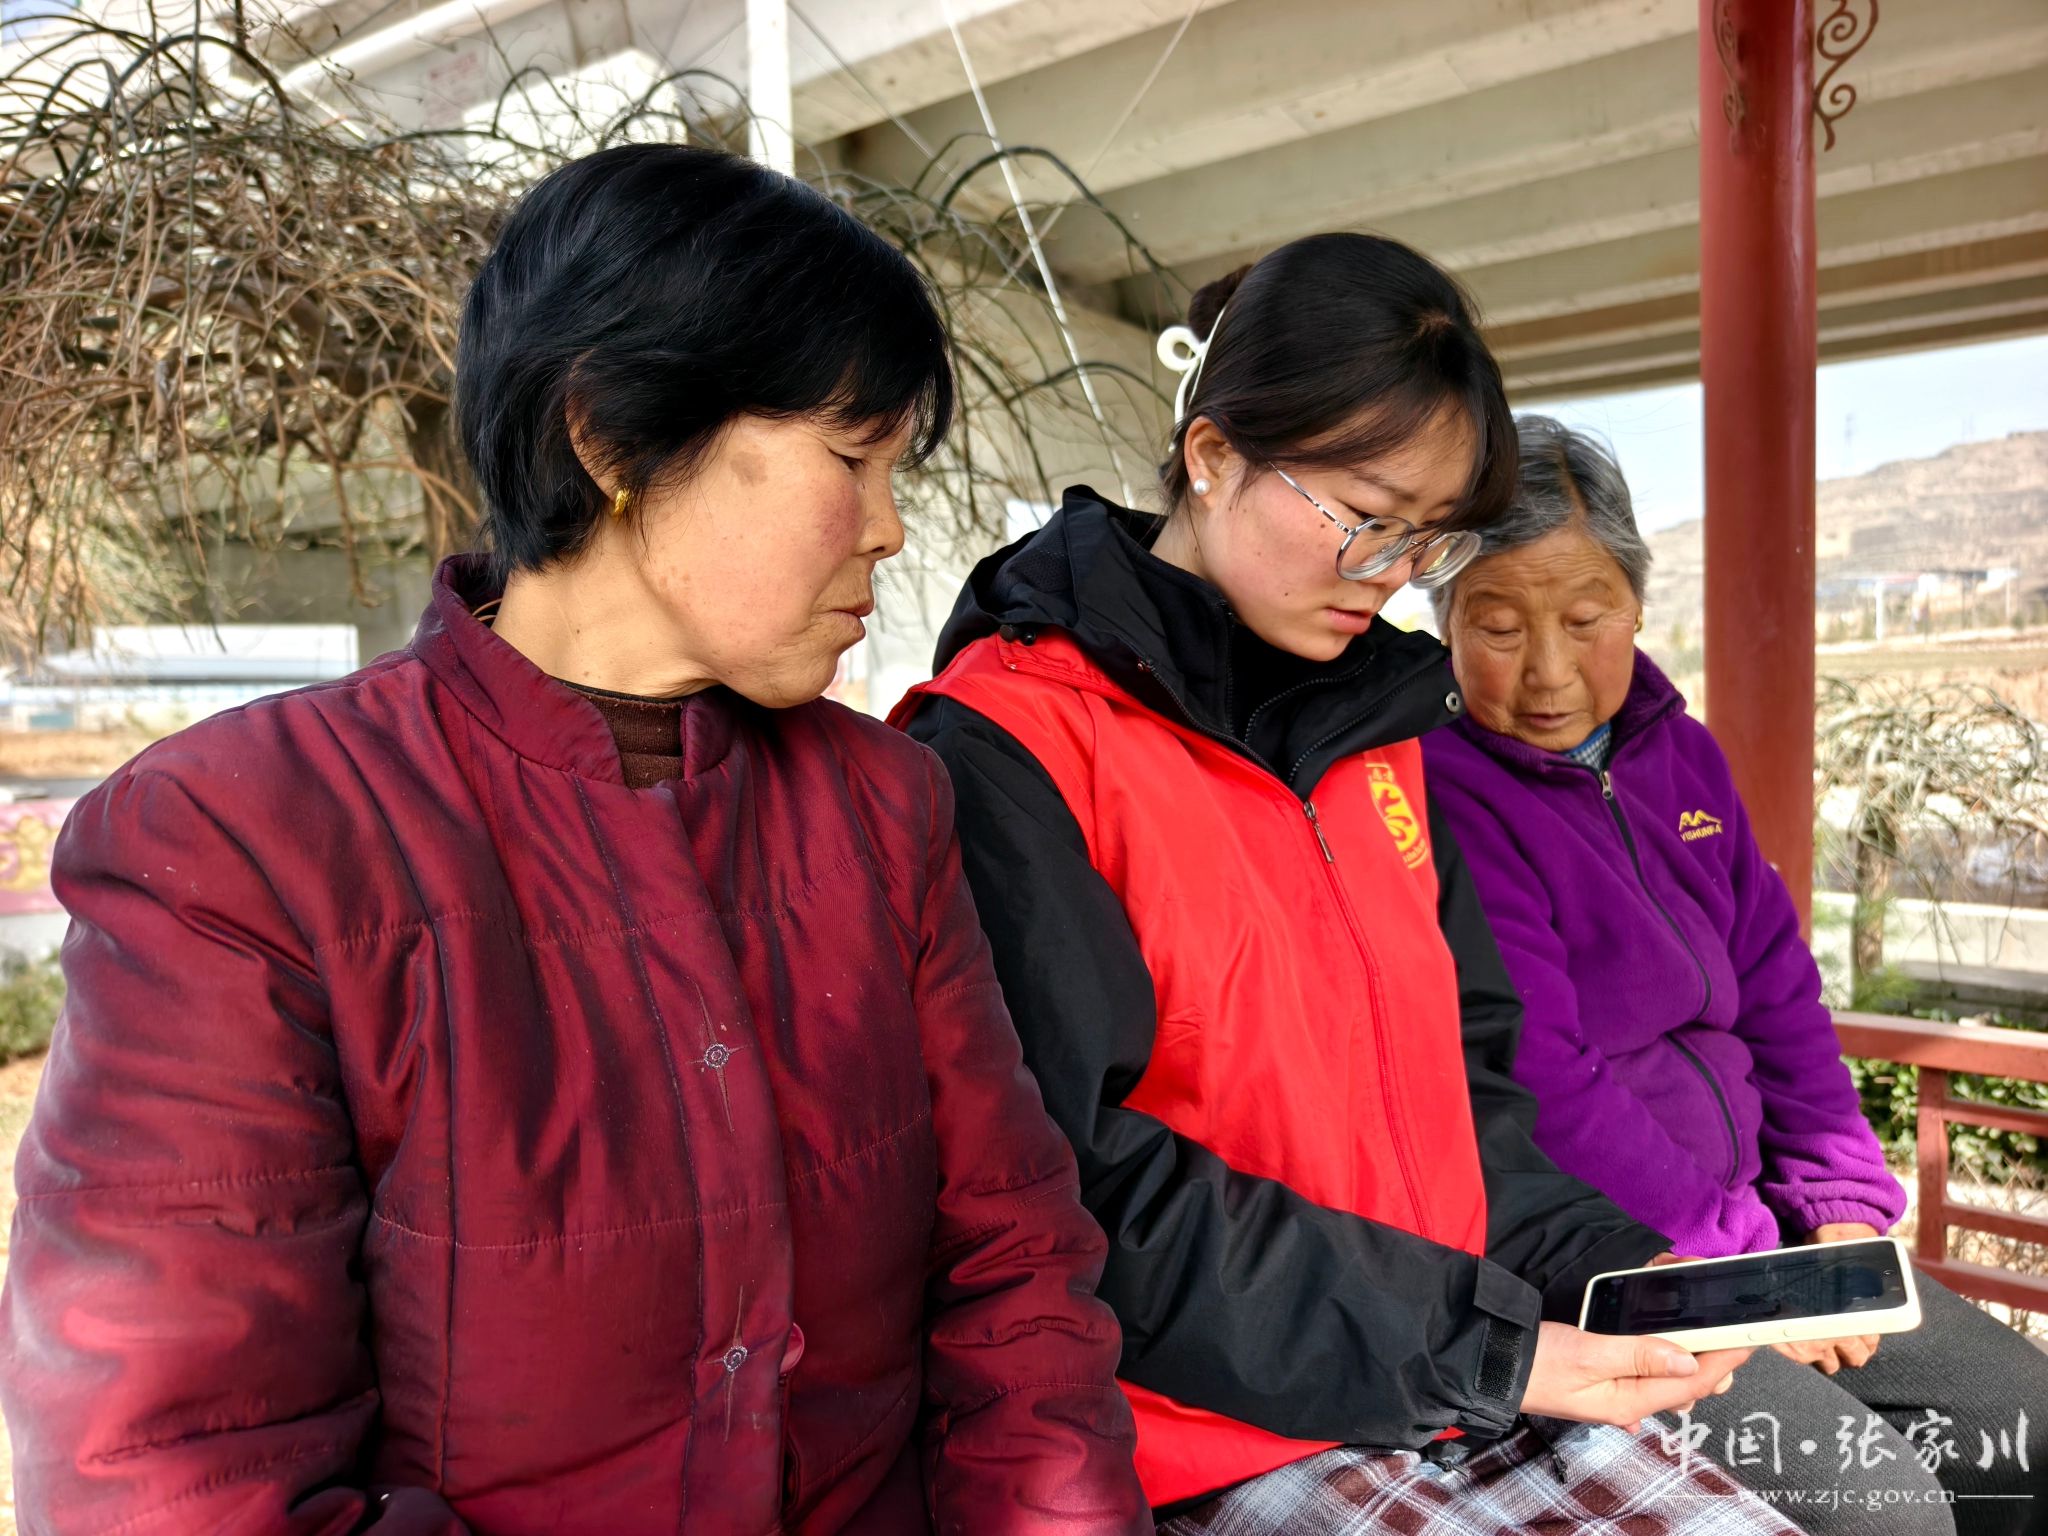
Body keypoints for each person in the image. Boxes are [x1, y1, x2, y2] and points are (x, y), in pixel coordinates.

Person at [1, 144, 1148, 1536]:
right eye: (851, 460)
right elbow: (174, 1470)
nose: (892, 530)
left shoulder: (882, 805)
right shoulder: (242, 841)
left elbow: (1016, 1284)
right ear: (609, 434)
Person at [893, 235, 1802, 1536]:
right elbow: (1079, 1193)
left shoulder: (1380, 738)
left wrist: (1613, 1267)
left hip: (1447, 1376)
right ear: (1212, 456)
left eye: (1428, 538)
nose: (1392, 575)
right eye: (1367, 518)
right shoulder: (1011, 747)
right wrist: (1477, 1346)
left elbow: (1473, 1092)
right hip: (1203, 1439)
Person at [1421, 414, 2048, 1536]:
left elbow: (1778, 994)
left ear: (1635, 603)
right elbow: (1544, 1078)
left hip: (1753, 1222)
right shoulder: (1442, 793)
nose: (1548, 671)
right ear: (1443, 621)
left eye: (1583, 619)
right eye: (1497, 627)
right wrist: (1748, 1272)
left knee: (2024, 1423)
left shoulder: (1682, 754)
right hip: (1615, 1257)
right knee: (1880, 1507)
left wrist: (1840, 1205)